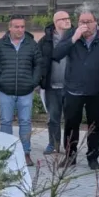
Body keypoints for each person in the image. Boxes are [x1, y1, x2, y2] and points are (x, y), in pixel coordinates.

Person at [51, 2, 99, 170]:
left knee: (95, 125)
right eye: (82, 21)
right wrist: (73, 38)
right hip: (73, 89)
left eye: (88, 21)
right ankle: (70, 156)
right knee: (70, 124)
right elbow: (57, 54)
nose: (84, 25)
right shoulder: (71, 34)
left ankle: (93, 157)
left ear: (96, 21)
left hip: (96, 89)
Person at [0, 16, 43, 165]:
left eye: (22, 27)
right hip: (5, 90)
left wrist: (33, 82)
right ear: (10, 28)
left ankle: (25, 152)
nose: (20, 30)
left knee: (25, 122)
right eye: (17, 27)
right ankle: (7, 151)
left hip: (26, 91)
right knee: (5, 121)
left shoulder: (32, 44)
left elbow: (39, 64)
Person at [39, 11, 73, 155]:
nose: (67, 21)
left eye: (68, 18)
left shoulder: (76, 37)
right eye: (63, 19)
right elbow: (39, 61)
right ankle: (53, 144)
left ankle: (70, 146)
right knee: (53, 118)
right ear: (55, 22)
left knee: (71, 119)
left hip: (71, 86)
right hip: (51, 86)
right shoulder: (45, 40)